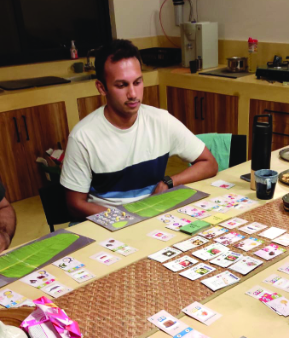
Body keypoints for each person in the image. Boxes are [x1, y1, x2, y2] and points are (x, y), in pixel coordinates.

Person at [62, 39, 219, 217]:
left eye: (137, 82)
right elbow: (74, 204)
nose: (133, 94)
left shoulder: (161, 121)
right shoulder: (83, 136)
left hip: (153, 216)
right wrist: (126, 217)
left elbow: (209, 164)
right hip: (109, 221)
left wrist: (169, 182)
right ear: (101, 87)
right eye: (122, 85)